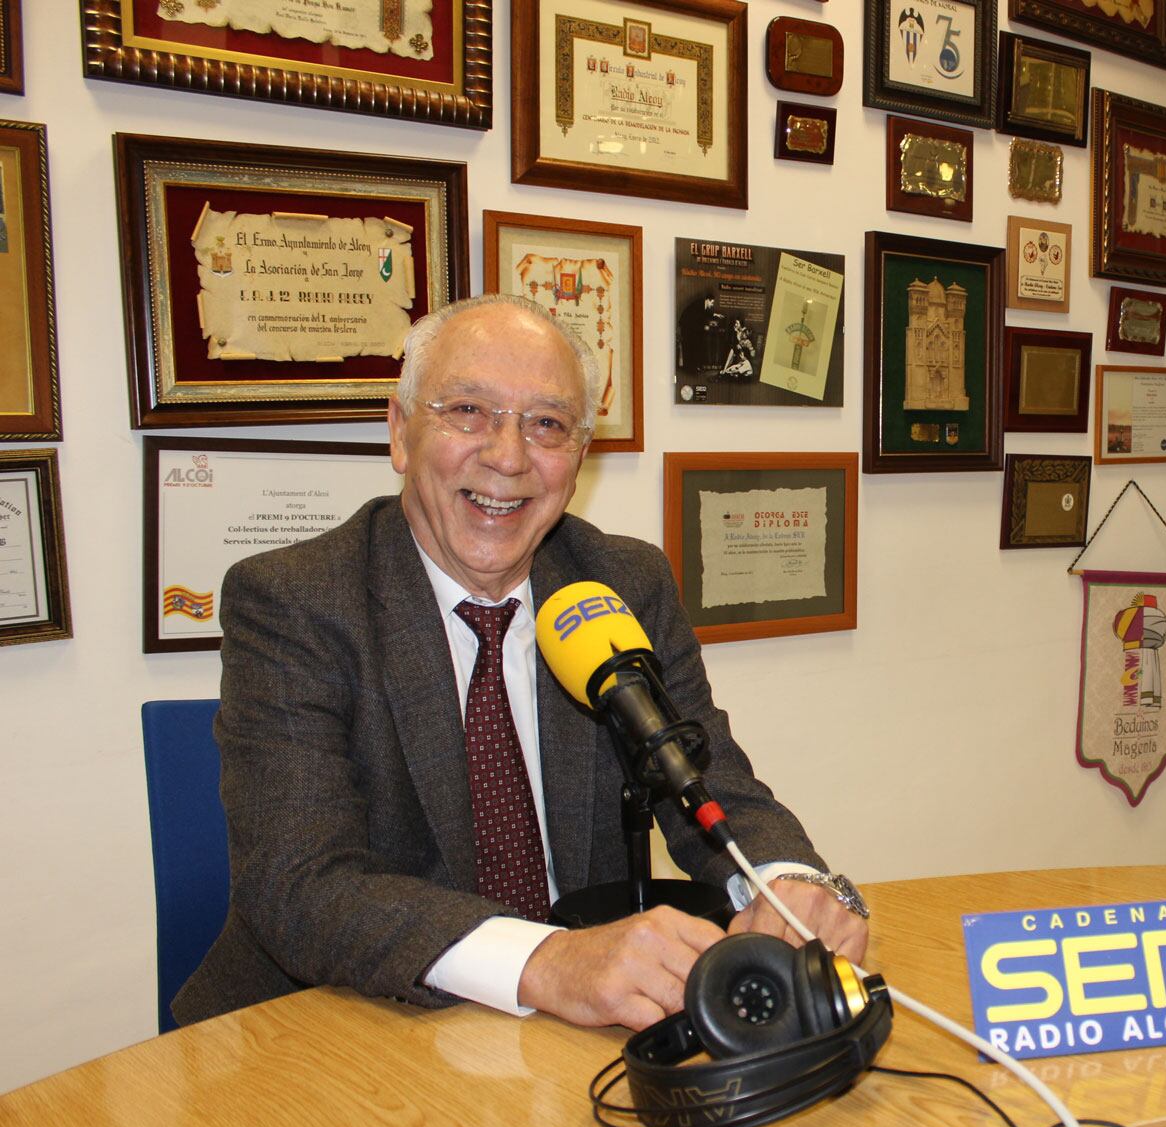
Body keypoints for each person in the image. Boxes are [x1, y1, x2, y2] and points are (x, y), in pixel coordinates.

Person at [174, 294, 868, 1030]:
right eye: (468, 411)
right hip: (332, 1030)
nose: (507, 456)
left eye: (547, 424)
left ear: (578, 460)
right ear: (401, 432)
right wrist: (542, 961)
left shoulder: (620, 583)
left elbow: (707, 781)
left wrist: (789, 883)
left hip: (565, 1043)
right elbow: (299, 887)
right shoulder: (296, 601)